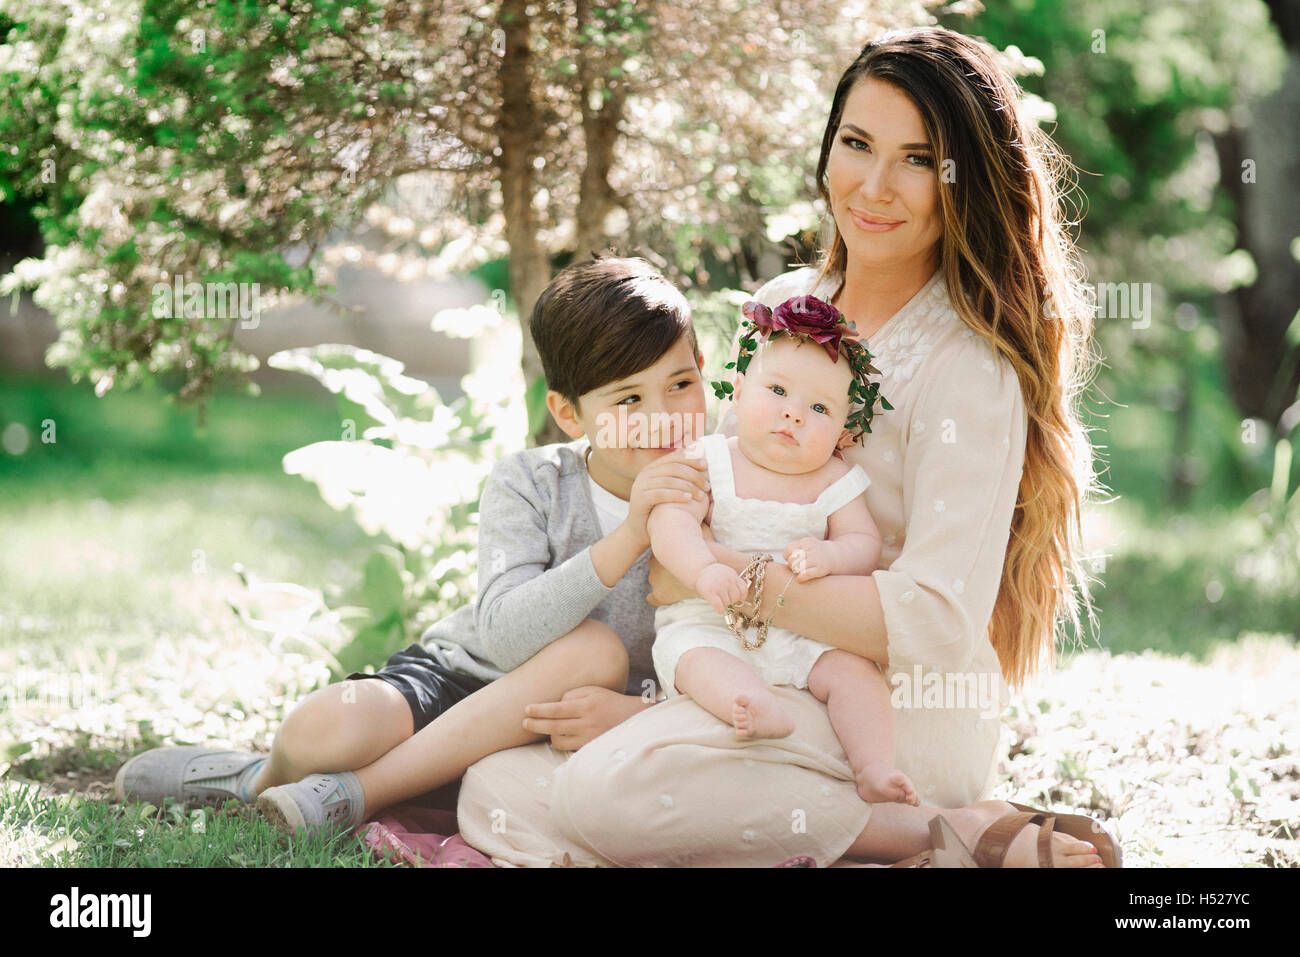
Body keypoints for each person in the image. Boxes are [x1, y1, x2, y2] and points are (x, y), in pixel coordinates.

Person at [453, 26, 1119, 868]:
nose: (874, 186)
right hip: (739, 670)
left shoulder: (969, 366)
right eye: (857, 144)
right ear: (828, 144)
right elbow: (717, 495)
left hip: (883, 702)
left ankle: (951, 827)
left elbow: (939, 619)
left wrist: (752, 589)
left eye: (918, 159)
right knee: (496, 792)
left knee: (600, 793)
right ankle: (809, 832)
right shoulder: (784, 306)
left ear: (962, 182)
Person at [113, 256, 713, 833]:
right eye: (629, 399)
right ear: (569, 413)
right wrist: (632, 534)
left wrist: (640, 715)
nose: (661, 416)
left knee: (594, 656)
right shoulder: (532, 483)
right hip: (468, 681)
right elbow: (504, 636)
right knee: (325, 731)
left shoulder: (736, 492)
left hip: (580, 721)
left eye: (681, 383)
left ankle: (356, 794)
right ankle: (257, 779)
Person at [648, 296, 918, 806]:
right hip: (711, 616)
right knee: (696, 658)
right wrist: (703, 570)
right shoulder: (710, 459)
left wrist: (832, 558)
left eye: (819, 409)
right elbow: (670, 523)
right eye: (777, 391)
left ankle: (874, 766)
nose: (793, 414)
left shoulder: (834, 479)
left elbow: (864, 543)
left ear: (841, 430)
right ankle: (746, 703)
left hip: (805, 627)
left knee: (855, 675)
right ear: (740, 389)